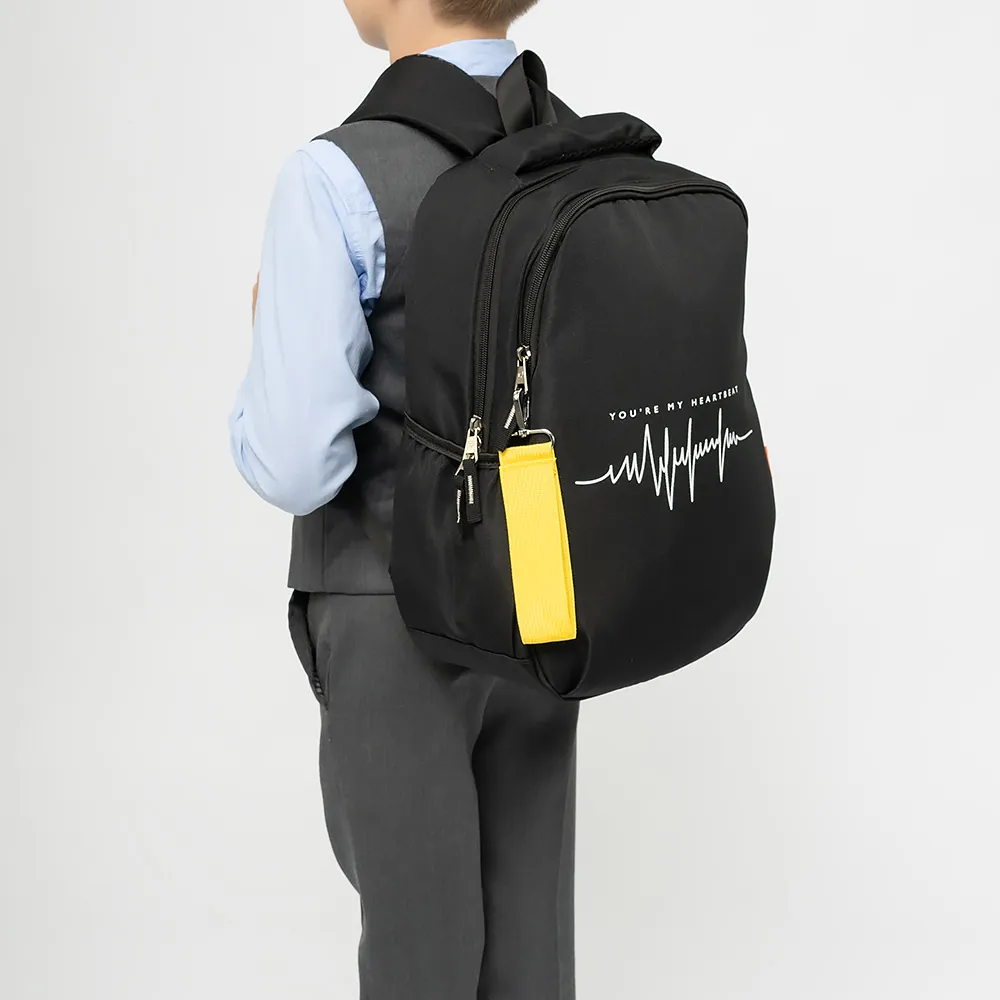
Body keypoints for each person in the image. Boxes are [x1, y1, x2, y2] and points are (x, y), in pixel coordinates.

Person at [228, 2, 580, 998]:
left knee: (418, 961)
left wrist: (267, 350)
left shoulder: (336, 177)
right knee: (530, 953)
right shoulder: (577, 153)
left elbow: (296, 462)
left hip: (392, 609)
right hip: (544, 590)